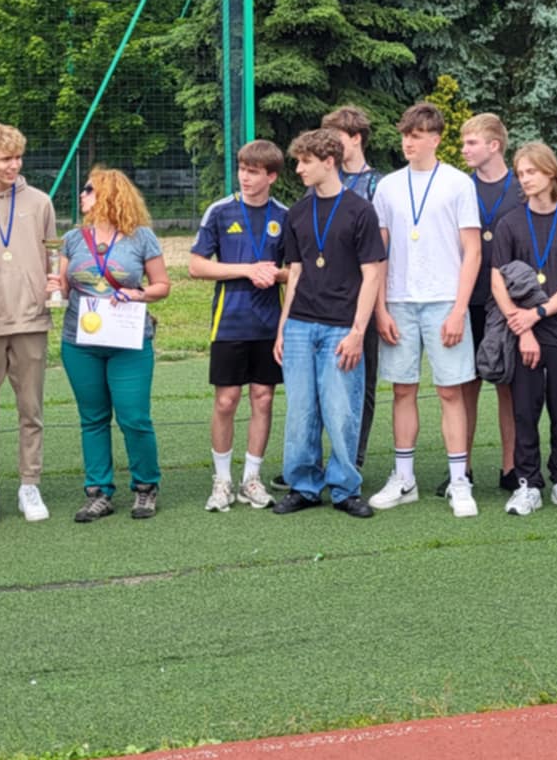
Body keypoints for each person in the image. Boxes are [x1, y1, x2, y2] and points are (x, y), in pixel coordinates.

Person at [363, 103, 483, 517]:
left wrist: (459, 309)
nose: (408, 143)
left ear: (435, 138)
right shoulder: (388, 187)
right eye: (404, 135)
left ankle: (459, 481)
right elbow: (378, 252)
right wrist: (380, 308)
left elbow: (472, 251)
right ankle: (404, 479)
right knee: (402, 390)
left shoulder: (458, 184)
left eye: (415, 136)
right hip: (399, 302)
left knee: (451, 391)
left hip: (445, 302)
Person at [270, 129, 386, 517]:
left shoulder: (360, 211)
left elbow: (372, 274)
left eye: (306, 162)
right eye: (298, 161)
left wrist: (358, 332)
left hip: (342, 326)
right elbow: (295, 271)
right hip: (300, 325)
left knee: (341, 411)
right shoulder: (298, 213)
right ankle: (303, 486)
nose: (299, 169)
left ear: (328, 161)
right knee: (300, 411)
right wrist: (283, 327)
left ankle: (344, 488)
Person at [50, 168, 170, 521]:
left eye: (89, 189)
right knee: (93, 418)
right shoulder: (73, 238)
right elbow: (65, 288)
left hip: (129, 340)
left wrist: (138, 293)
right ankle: (98, 491)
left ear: (109, 195)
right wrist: (54, 287)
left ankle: (145, 487)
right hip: (80, 341)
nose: (82, 194)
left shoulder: (141, 237)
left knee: (134, 417)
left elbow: (162, 285)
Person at [488, 143, 557, 516]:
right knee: (524, 412)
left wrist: (538, 313)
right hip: (522, 334)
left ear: (550, 173)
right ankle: (527, 483)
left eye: (531, 171)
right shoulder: (509, 224)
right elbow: (497, 281)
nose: (525, 179)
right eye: (520, 173)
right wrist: (523, 327)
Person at [0, 124, 57, 524]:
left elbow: (53, 256)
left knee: (31, 410)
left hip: (31, 320)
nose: (13, 166)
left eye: (18, 158)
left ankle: (29, 484)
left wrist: (52, 285)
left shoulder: (40, 201)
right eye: (5, 159)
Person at [190, 140, 290, 512]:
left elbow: (294, 271)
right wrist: (248, 270)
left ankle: (251, 479)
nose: (244, 178)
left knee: (263, 398)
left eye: (253, 172)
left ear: (271, 176)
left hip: (268, 325)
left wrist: (274, 275)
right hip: (229, 323)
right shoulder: (220, 211)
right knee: (226, 400)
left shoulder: (285, 215)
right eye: (242, 170)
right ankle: (222, 481)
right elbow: (196, 266)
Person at [460, 112, 521, 492]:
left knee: (507, 385)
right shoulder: (458, 187)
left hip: (507, 302)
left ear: (494, 145)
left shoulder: (520, 187)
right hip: (467, 301)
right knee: (465, 385)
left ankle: (510, 468)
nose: (464, 150)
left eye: (471, 143)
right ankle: (461, 469)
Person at [323, 104, 382, 474]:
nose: (329, 147)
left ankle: (351, 460)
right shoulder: (322, 180)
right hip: (325, 297)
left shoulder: (378, 185)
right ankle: (314, 460)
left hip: (364, 296)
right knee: (321, 380)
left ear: (356, 138)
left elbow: (383, 249)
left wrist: (381, 306)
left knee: (361, 380)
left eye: (337, 139)